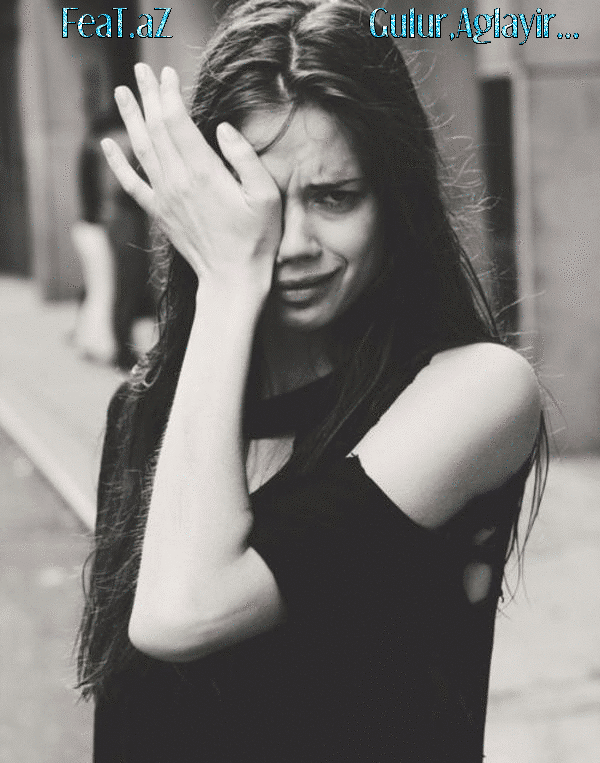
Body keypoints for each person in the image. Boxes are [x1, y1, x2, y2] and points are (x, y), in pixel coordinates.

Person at [77, 0, 548, 760]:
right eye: (255, 201)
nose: (293, 244)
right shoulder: (144, 410)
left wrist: (228, 283)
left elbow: (181, 613)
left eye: (335, 197)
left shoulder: (478, 392)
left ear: (394, 202)